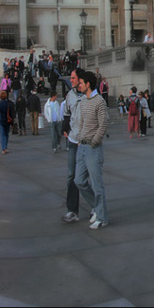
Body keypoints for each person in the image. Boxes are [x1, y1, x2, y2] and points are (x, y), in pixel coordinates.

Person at [73, 69, 109, 230]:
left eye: (81, 83)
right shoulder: (83, 101)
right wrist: (80, 138)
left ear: (88, 84)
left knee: (97, 184)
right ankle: (96, 206)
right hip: (82, 146)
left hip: (93, 148)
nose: (78, 85)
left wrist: (94, 141)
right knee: (79, 181)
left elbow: (103, 124)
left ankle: (102, 218)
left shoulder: (99, 101)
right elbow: (81, 122)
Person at [61, 70, 83, 222]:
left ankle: (96, 207)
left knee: (87, 178)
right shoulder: (70, 95)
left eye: (73, 77)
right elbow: (67, 113)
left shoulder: (90, 95)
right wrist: (65, 127)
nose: (70, 79)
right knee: (71, 176)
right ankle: (72, 210)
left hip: (87, 142)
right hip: (73, 140)